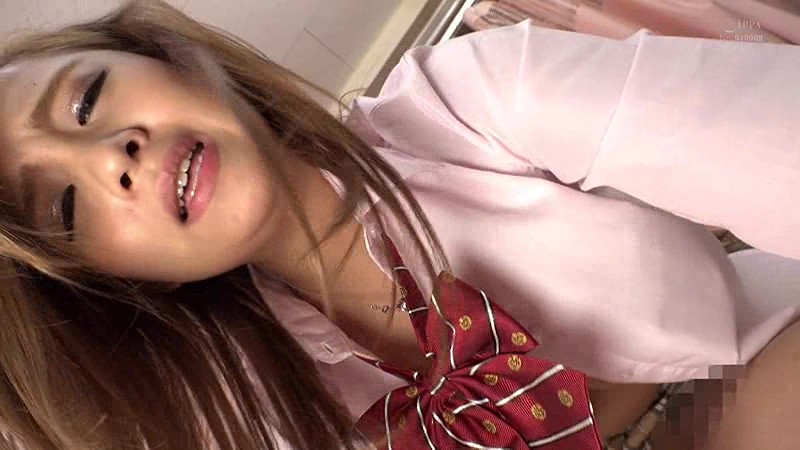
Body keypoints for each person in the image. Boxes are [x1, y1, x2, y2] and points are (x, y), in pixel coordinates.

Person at [1, 0, 799, 449]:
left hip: (748, 372)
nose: (110, 158)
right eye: (64, 207)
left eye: (85, 99)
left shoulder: (478, 97)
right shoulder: (234, 402)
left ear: (167, 56)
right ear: (115, 280)